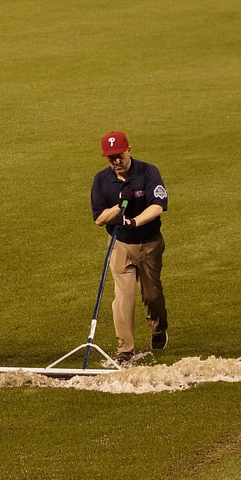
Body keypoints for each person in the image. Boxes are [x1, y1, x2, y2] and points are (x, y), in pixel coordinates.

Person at [90, 131, 169, 364]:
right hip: (120, 244)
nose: (115, 161)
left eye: (119, 156)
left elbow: (159, 206)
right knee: (123, 298)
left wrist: (134, 221)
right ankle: (125, 349)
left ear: (129, 150)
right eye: (110, 157)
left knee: (152, 295)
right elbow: (98, 218)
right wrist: (118, 207)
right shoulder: (101, 180)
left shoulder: (148, 171)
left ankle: (158, 328)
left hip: (150, 243)